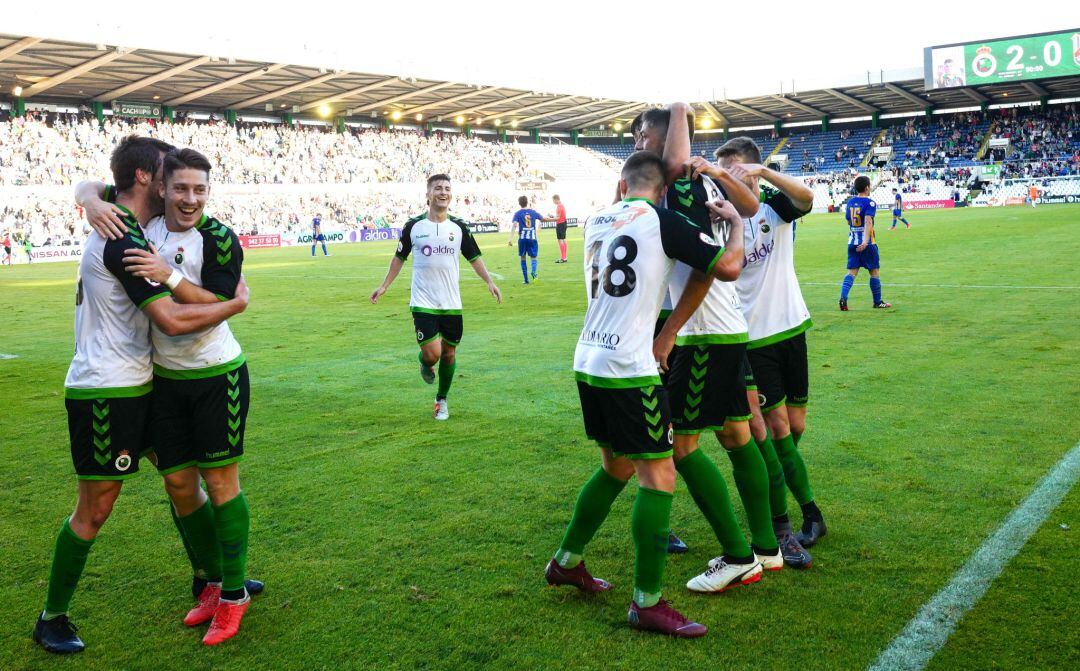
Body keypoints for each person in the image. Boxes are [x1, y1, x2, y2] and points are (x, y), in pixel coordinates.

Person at [34, 136, 250, 655]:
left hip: (144, 381)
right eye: (168, 175)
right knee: (98, 504)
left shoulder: (122, 217)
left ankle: (216, 580)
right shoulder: (124, 236)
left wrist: (88, 196)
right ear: (148, 181)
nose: (181, 186)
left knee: (183, 480)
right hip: (108, 387)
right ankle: (52, 615)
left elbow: (94, 186)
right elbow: (172, 320)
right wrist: (236, 305)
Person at [545, 150, 744, 638]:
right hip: (629, 368)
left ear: (621, 183)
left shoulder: (597, 219)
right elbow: (730, 268)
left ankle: (566, 562)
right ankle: (647, 603)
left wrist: (668, 328)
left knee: (615, 466)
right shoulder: (661, 218)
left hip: (588, 360)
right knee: (659, 475)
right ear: (660, 189)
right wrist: (735, 223)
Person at [643, 105, 780, 590]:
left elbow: (706, 270)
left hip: (701, 332)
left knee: (681, 448)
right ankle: (768, 546)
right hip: (726, 329)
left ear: (667, 142)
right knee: (737, 436)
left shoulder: (682, 184)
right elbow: (747, 207)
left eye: (645, 137)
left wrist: (668, 332)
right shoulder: (702, 183)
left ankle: (739, 555)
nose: (639, 145)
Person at [122, 148, 254, 646]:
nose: (190, 198)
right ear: (163, 188)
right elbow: (95, 192)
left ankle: (235, 595)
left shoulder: (219, 238)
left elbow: (223, 303)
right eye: (181, 188)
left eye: (199, 189)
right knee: (178, 484)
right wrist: (87, 197)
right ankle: (212, 583)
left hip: (216, 376)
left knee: (220, 484)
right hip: (165, 381)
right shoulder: (146, 227)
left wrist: (169, 276)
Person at [717, 137, 823, 559]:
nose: (728, 183)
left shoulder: (773, 209)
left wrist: (761, 172)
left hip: (791, 326)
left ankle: (769, 484)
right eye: (723, 176)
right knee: (777, 428)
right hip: (752, 338)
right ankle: (806, 514)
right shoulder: (723, 218)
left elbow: (807, 196)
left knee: (794, 428)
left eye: (734, 173)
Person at [370, 174, 502, 421]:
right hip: (423, 301)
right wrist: (384, 285)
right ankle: (424, 361)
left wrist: (489, 282)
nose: (443, 192)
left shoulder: (459, 227)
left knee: (449, 354)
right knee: (433, 354)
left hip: (451, 303)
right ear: (428, 194)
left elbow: (474, 257)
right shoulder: (413, 227)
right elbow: (399, 258)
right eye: (438, 188)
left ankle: (441, 400)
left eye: (447, 188)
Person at [840, 176, 891, 310]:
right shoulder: (870, 203)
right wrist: (866, 241)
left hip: (852, 242)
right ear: (867, 187)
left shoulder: (850, 202)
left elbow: (848, 221)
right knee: (874, 271)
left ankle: (843, 298)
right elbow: (868, 221)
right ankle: (877, 302)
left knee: (851, 273)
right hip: (867, 244)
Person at [507, 196, 542, 284]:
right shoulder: (533, 212)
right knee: (533, 257)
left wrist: (510, 239)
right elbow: (542, 218)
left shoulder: (518, 213)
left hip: (522, 239)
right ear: (527, 202)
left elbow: (514, 225)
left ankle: (526, 280)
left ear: (519, 203)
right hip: (532, 238)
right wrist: (555, 219)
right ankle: (534, 273)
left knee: (523, 258)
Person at [551, 194, 569, 263]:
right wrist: (553, 216)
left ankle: (563, 258)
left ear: (556, 199)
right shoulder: (562, 205)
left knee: (560, 240)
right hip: (564, 223)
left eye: (553, 200)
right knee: (563, 239)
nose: (553, 202)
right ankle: (564, 257)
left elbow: (558, 218)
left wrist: (549, 219)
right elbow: (559, 216)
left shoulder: (559, 206)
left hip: (560, 224)